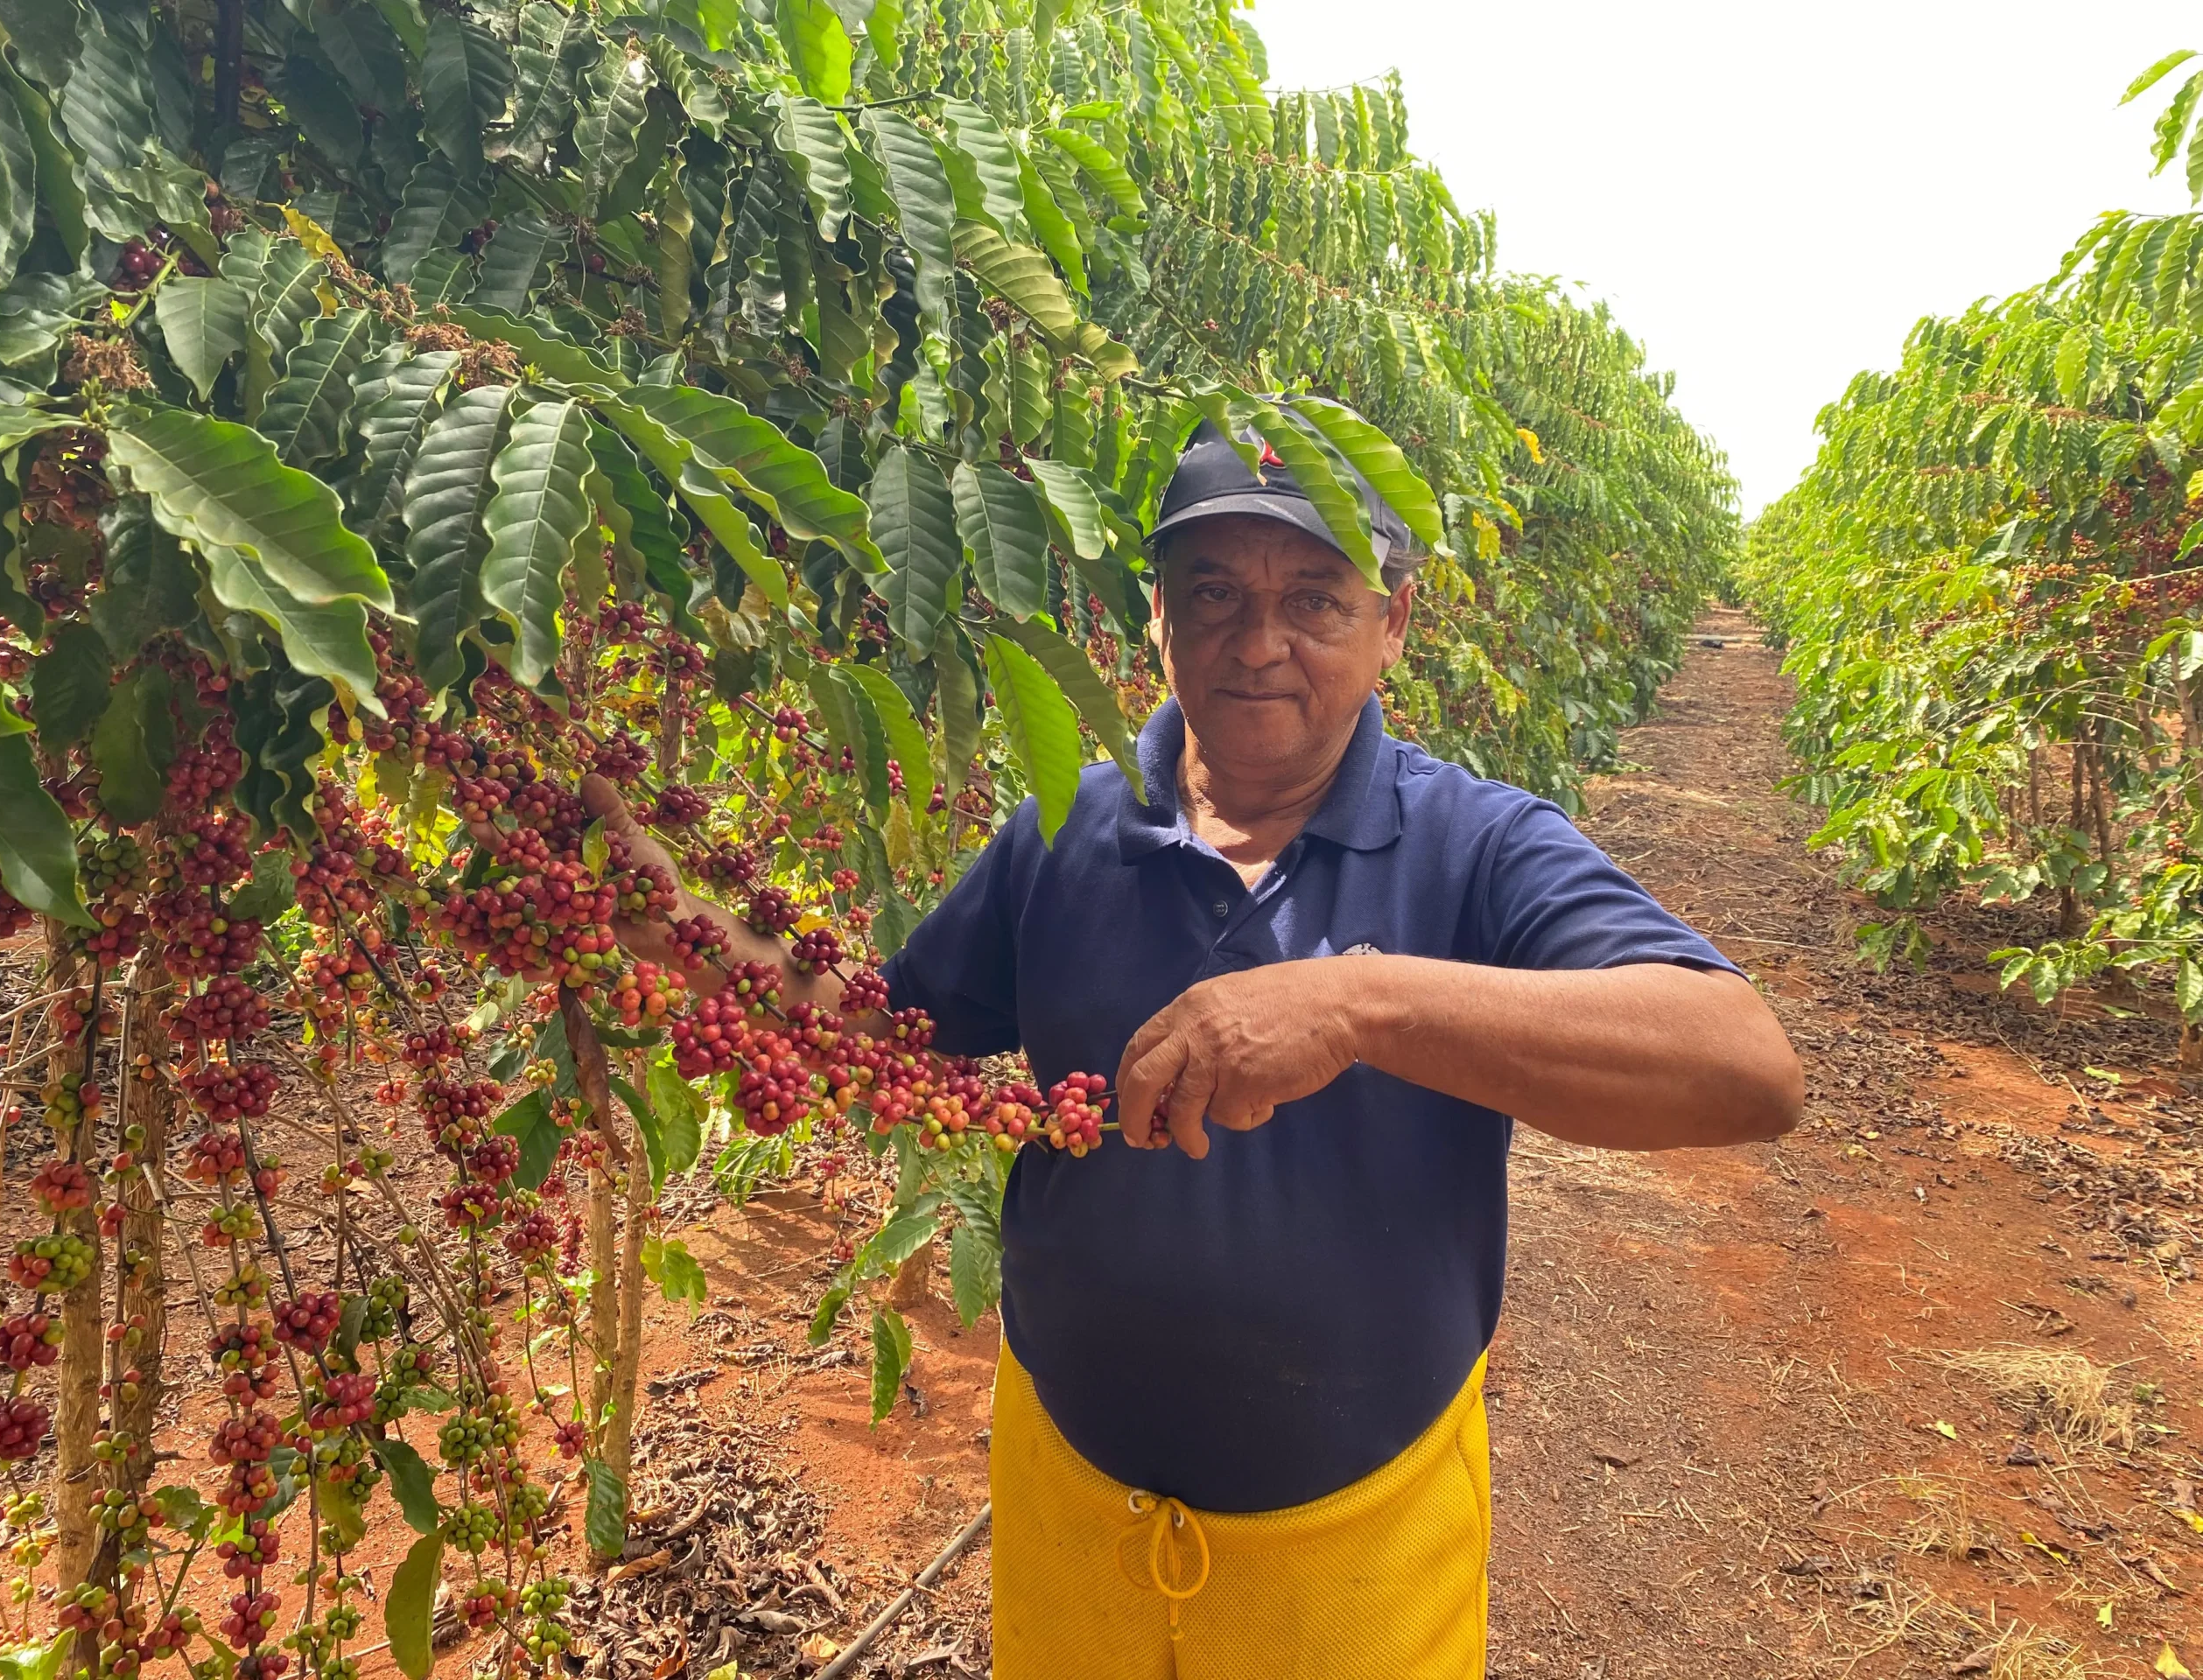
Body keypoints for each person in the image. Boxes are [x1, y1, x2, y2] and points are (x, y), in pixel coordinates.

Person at [580, 409, 1804, 1678]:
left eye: (1316, 599)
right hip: (1073, 1497)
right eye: (1211, 591)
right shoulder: (1069, 822)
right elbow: (878, 1038)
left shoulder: (1477, 846)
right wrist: (676, 921)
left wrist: (1357, 1005)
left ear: (1395, 624)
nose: (1257, 641)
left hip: (1356, 1543)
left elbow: (1745, 1064)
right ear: (1152, 618)